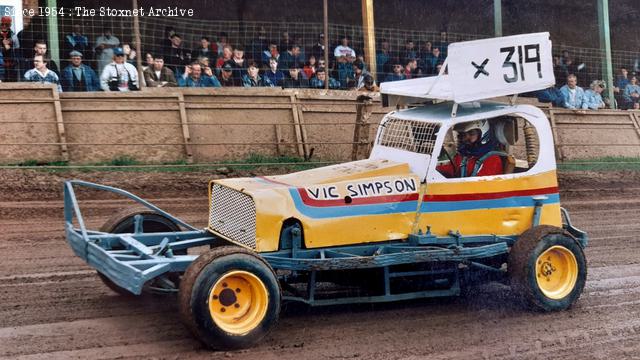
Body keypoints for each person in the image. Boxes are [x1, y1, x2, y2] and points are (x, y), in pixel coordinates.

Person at [436, 120, 503, 178]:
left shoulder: (492, 159)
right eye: (462, 135)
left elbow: (480, 186)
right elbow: (449, 169)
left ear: (482, 134)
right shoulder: (463, 156)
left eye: (471, 134)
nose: (465, 139)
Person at [1, 16, 19, 81]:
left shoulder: (13, 35)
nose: (4, 26)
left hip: (11, 63)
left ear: (10, 25)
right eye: (2, 24)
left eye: (7, 24)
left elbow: (17, 48)